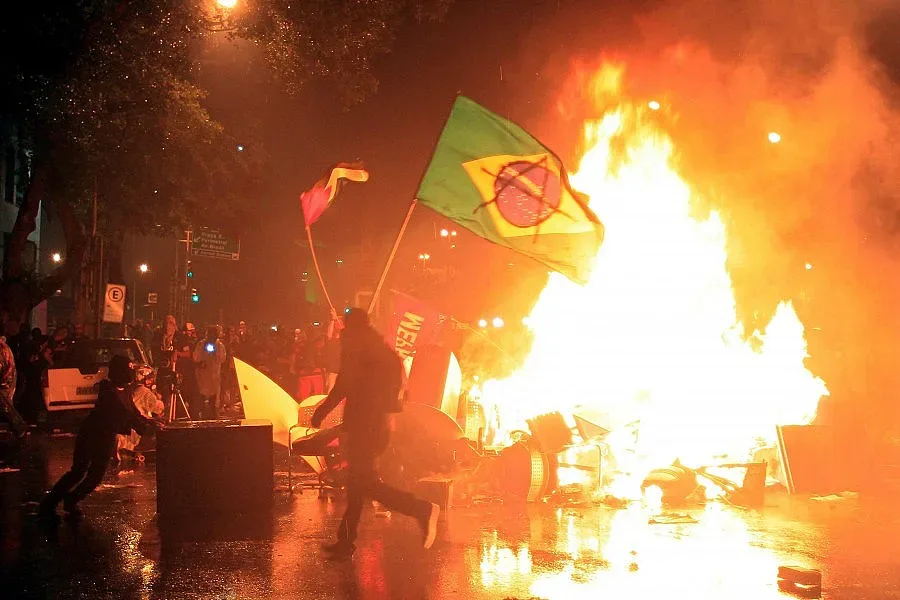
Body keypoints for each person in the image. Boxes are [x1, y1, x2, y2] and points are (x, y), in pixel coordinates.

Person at [311, 308, 439, 558]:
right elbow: (396, 390)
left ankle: (420, 509)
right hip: (377, 426)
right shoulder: (382, 350)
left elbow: (343, 385)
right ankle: (345, 541)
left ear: (353, 327)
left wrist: (320, 413)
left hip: (365, 427)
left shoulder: (357, 348)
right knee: (357, 485)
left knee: (364, 483)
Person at [39, 355, 164, 520]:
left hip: (107, 436)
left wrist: (151, 422)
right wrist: (145, 429)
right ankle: (48, 504)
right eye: (127, 369)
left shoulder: (126, 390)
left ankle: (71, 500)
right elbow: (123, 413)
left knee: (96, 476)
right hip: (91, 434)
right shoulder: (107, 389)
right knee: (78, 471)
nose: (131, 373)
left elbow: (133, 411)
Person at [192, 326, 226, 419]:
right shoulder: (201, 344)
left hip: (214, 378)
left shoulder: (220, 345)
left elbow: (222, 359)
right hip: (202, 377)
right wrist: (201, 362)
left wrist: (215, 352)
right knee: (202, 401)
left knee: (213, 402)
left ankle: (213, 417)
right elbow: (195, 357)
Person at [0, 333, 27, 439]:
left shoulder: (2, 348)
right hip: (7, 379)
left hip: (5, 381)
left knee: (5, 406)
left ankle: (19, 428)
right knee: (5, 405)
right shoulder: (3, 346)